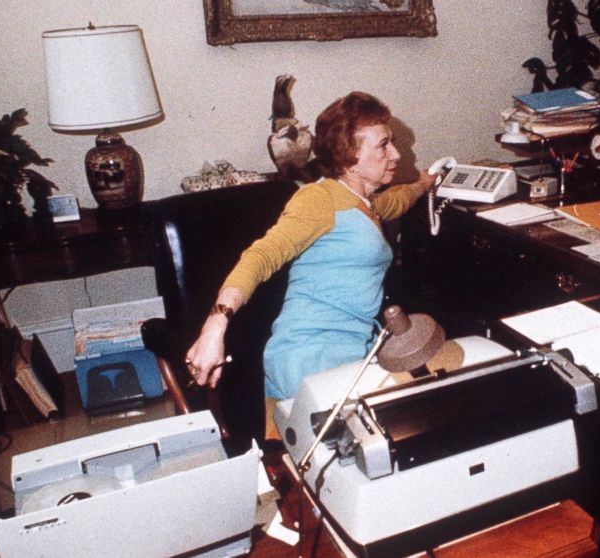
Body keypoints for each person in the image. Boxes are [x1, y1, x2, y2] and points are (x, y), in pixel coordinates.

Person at [184, 91, 436, 401]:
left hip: (356, 348)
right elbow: (260, 256)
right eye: (384, 145)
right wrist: (215, 324)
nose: (396, 154)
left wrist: (424, 184)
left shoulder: (361, 202)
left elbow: (393, 202)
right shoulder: (319, 199)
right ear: (349, 153)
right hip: (311, 356)